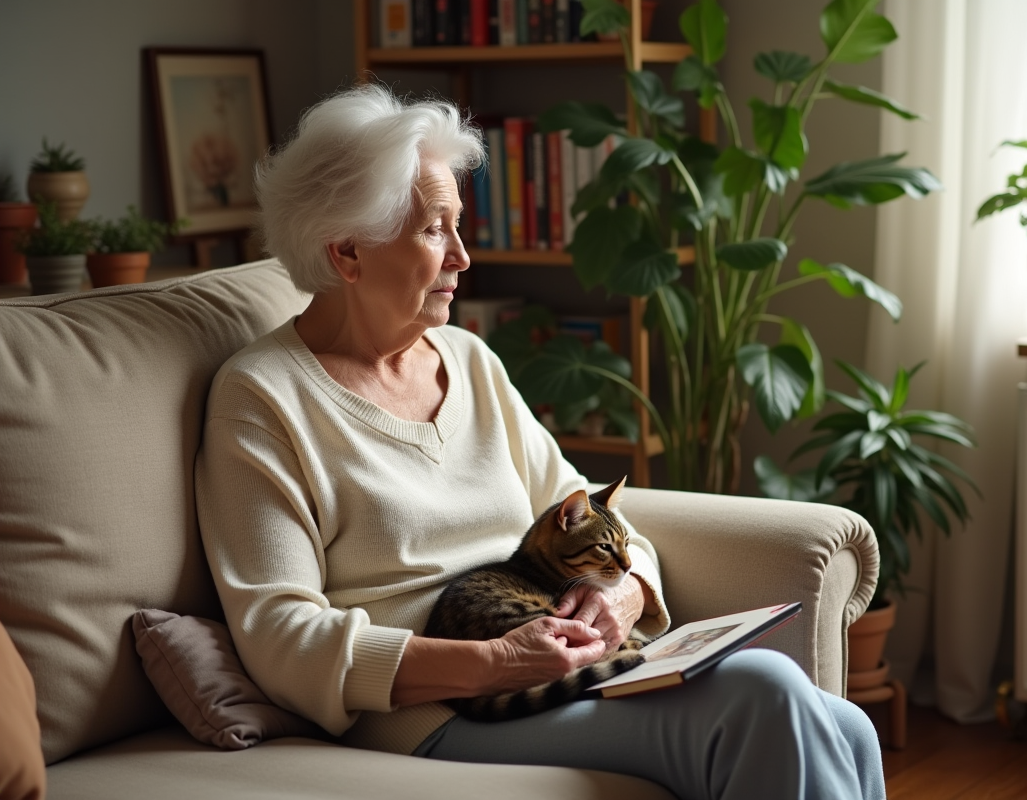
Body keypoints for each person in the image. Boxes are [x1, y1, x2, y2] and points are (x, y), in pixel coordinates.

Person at [195, 83, 886, 800]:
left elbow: (582, 509)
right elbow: (279, 634)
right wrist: (492, 662)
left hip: (549, 659)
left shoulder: (469, 361)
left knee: (848, 726)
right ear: (347, 251)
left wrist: (624, 596)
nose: (464, 256)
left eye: (459, 226)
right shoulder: (263, 397)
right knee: (764, 689)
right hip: (433, 709)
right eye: (435, 230)